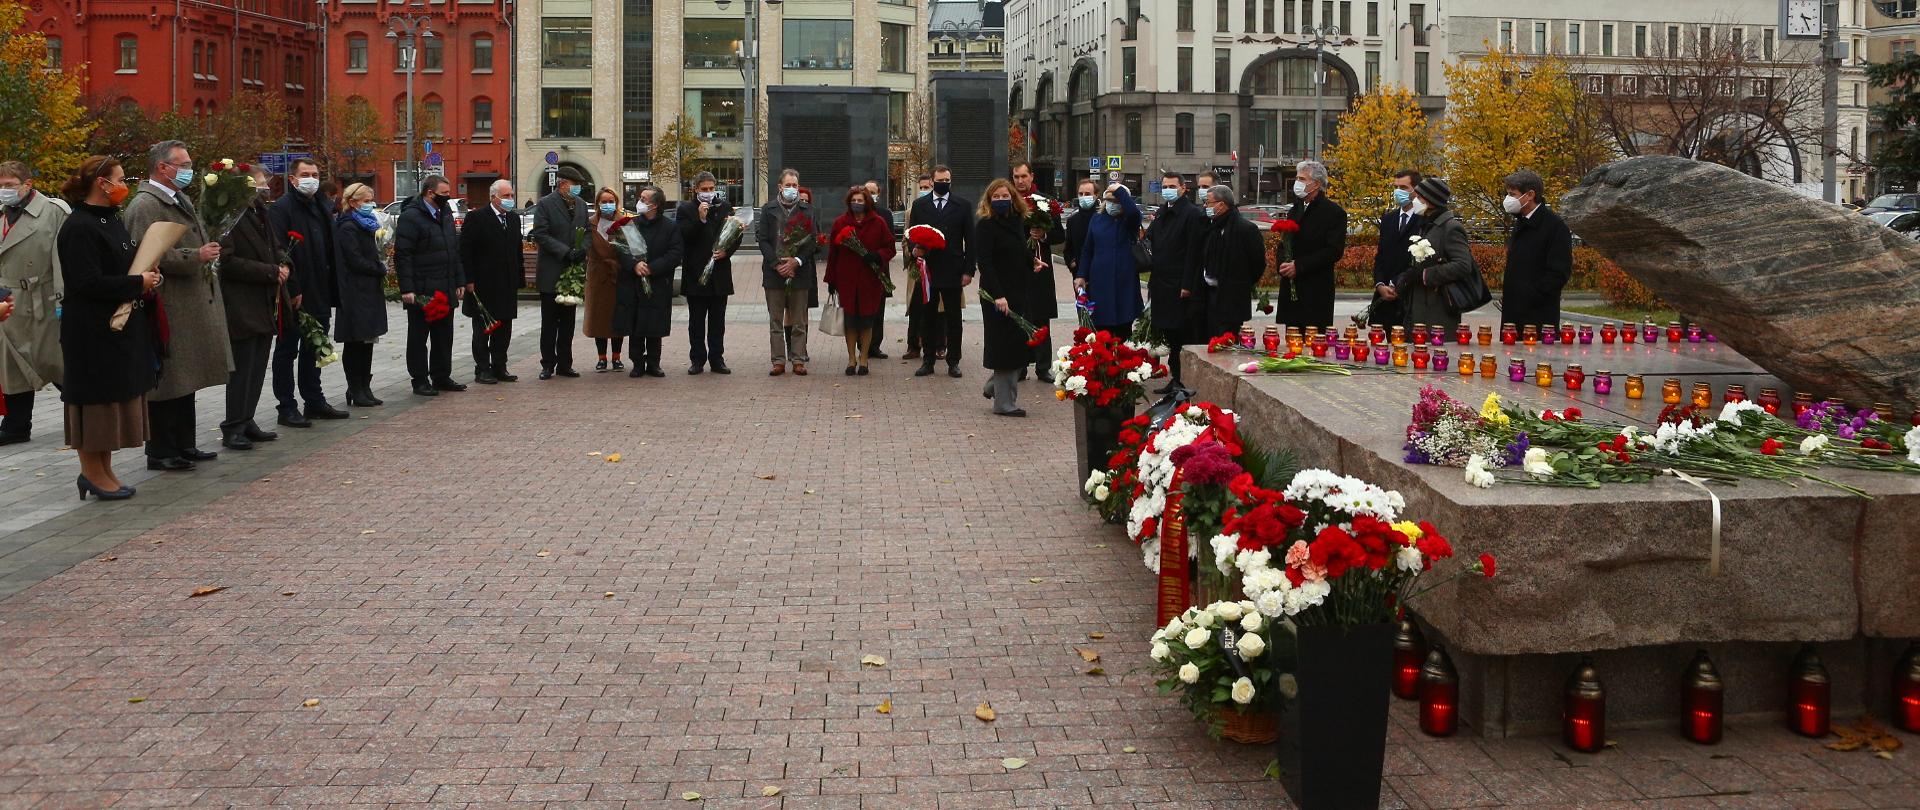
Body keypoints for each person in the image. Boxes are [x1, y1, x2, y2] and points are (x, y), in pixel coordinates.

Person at [57, 156, 157, 500]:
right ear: (102, 183)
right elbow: (87, 282)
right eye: (119, 178)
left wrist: (146, 276)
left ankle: (105, 469)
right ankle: (91, 472)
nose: (123, 184)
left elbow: (121, 265)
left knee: (113, 396)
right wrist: (135, 283)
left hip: (118, 326)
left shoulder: (110, 219)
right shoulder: (79, 226)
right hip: (90, 331)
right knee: (94, 401)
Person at [124, 140, 227, 472]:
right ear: (162, 168)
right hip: (167, 303)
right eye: (182, 164)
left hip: (187, 301)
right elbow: (147, 255)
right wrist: (194, 256)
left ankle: (184, 443)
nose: (188, 170)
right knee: (168, 380)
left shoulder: (177, 197)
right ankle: (160, 449)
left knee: (186, 378)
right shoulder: (145, 205)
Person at [214, 166, 290, 450]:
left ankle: (247, 418)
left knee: (258, 364)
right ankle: (233, 425)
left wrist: (283, 262)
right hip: (241, 302)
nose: (264, 188)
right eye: (258, 184)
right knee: (243, 367)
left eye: (264, 183)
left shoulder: (260, 211)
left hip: (264, 299)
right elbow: (228, 261)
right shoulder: (228, 216)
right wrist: (270, 271)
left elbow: (274, 245)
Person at [269, 157, 347, 426]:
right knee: (287, 350)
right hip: (296, 291)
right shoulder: (281, 209)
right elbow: (279, 251)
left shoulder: (322, 205)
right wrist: (292, 288)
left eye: (314, 173)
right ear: (292, 179)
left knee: (315, 348)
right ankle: (286, 407)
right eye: (305, 174)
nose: (311, 178)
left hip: (321, 289)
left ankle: (314, 400)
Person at [0, 161, 68, 445]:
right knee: (12, 365)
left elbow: (63, 258)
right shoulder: (2, 215)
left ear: (28, 184)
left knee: (56, 361)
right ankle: (16, 424)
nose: (4, 191)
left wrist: (64, 299)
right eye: (1, 185)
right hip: (9, 300)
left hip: (44, 298)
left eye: (10, 185)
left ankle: (84, 414)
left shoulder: (53, 211)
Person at [973, 180, 1044, 417]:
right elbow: (985, 262)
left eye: (1006, 196)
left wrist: (1032, 260)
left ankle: (994, 386)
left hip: (1019, 292)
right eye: (996, 196)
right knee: (1005, 348)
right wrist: (998, 296)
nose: (1001, 200)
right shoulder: (985, 226)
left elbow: (1018, 250)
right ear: (989, 200)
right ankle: (1004, 403)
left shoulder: (1016, 222)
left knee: (1020, 345)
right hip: (997, 296)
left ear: (1013, 198)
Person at [394, 174, 466, 396]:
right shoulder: (411, 217)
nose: (448, 197)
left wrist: (459, 279)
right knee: (418, 337)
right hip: (422, 288)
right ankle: (420, 379)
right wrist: (407, 288)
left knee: (444, 335)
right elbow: (403, 255)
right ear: (429, 193)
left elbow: (452, 249)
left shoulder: (444, 213)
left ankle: (441, 376)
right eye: (444, 193)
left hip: (444, 285)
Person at [906, 165, 974, 378]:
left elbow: (971, 241)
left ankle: (954, 361)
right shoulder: (920, 205)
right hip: (928, 270)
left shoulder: (962, 205)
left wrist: (968, 270)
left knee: (954, 318)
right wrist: (913, 250)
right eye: (940, 180)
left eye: (947, 180)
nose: (944, 183)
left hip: (953, 270)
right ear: (932, 181)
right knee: (928, 317)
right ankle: (928, 360)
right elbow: (911, 235)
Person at [1384, 177, 1477, 332]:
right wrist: (1407, 276)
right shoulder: (1427, 224)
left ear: (1431, 200)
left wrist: (1424, 275)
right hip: (1417, 305)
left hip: (1438, 308)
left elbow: (1463, 265)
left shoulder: (1450, 227)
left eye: (1419, 198)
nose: (1415, 201)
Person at [823, 184, 896, 376]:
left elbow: (890, 247)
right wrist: (831, 280)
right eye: (853, 201)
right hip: (846, 279)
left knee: (866, 320)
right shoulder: (840, 222)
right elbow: (833, 254)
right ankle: (851, 359)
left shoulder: (878, 222)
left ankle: (864, 358)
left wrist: (877, 256)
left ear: (867, 202)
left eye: (860, 201)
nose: (856, 204)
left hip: (869, 280)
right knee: (850, 320)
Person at [611, 186, 682, 378]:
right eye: (640, 198)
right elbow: (621, 249)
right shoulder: (630, 224)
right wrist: (634, 264)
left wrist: (652, 268)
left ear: (655, 205)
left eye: (644, 199)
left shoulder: (670, 227)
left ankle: (654, 363)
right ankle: (637, 363)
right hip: (634, 283)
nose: (639, 201)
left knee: (654, 325)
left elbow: (675, 254)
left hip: (658, 283)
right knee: (635, 326)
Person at [1146, 170, 1207, 390]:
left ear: (1183, 189)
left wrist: (1187, 284)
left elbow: (1193, 252)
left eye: (1172, 187)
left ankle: (1182, 379)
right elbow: (1150, 239)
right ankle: (1175, 377)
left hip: (1179, 284)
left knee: (1181, 333)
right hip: (1161, 283)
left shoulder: (1192, 214)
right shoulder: (1162, 212)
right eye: (1165, 186)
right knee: (1169, 334)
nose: (1168, 191)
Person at [757, 169, 820, 376]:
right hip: (774, 272)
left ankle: (798, 359)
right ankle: (778, 361)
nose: (792, 189)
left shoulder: (807, 210)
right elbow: (763, 239)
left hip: (799, 272)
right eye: (788, 185)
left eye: (795, 185)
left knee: (799, 321)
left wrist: (796, 261)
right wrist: (777, 263)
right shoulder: (768, 209)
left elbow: (812, 239)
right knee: (775, 320)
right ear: (780, 187)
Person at [458, 179, 521, 384]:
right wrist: (468, 280)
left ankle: (499, 366)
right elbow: (466, 251)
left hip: (506, 283)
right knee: (484, 328)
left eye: (511, 195)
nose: (510, 199)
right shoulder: (476, 217)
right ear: (493, 197)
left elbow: (517, 250)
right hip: (483, 284)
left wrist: (518, 278)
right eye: (506, 196)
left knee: (504, 328)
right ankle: (482, 368)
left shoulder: (513, 219)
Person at [332, 182, 389, 406]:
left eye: (371, 200)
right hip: (355, 290)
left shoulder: (369, 224)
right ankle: (355, 387)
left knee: (367, 340)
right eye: (366, 201)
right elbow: (353, 259)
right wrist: (379, 267)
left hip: (370, 289)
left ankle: (365, 385)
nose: (370, 204)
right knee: (355, 341)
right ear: (353, 202)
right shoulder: (348, 226)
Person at [1275, 159, 1347, 332]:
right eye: (1297, 178)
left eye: (1302, 179)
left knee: (1314, 345)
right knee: (1293, 342)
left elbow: (1333, 251)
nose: (1297, 183)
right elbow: (1285, 242)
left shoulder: (1334, 213)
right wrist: (1282, 265)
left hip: (1315, 290)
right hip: (1292, 290)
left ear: (1316, 184)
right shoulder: (1295, 209)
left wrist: (1299, 266)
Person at [531, 167, 589, 379]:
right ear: (563, 184)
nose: (578, 188)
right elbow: (540, 234)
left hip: (572, 274)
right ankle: (548, 364)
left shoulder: (582, 205)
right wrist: (565, 252)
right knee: (549, 323)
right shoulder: (546, 204)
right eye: (575, 184)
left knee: (568, 323)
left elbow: (588, 232)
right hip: (552, 272)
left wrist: (583, 249)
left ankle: (565, 363)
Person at [1187, 185, 1266, 339]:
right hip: (1207, 297)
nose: (1204, 206)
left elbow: (1257, 264)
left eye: (1208, 203)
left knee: (1226, 345)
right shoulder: (1211, 227)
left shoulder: (1245, 229)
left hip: (1231, 299)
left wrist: (1240, 283)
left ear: (1221, 204)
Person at [1499, 169, 1573, 331]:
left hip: (1537, 317)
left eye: (1513, 194)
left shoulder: (1554, 227)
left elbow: (1559, 273)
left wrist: (1529, 295)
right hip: (1514, 314)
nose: (1508, 199)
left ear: (1530, 195)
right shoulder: (1521, 222)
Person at [678, 172, 737, 375]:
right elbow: (685, 237)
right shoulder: (686, 210)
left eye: (712, 189)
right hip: (696, 274)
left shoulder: (724, 207)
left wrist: (726, 251)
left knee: (717, 321)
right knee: (696, 321)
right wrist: (700, 220)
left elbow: (734, 235)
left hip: (719, 274)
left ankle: (717, 358)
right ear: (696, 190)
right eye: (704, 189)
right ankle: (697, 359)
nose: (708, 193)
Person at [1011, 163, 1063, 382]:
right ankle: (1020, 365)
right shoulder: (1008, 201)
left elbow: (1060, 235)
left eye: (1024, 176)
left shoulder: (1046, 202)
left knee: (1041, 317)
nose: (1020, 181)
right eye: (1016, 177)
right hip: (1016, 270)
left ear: (1031, 176)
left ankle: (1043, 367)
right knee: (1018, 317)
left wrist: (1042, 234)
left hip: (1041, 270)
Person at [1074, 182, 1143, 334]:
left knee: (1123, 330)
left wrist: (1119, 190)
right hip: (1100, 281)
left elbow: (1133, 213)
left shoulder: (1129, 221)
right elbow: (1088, 249)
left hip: (1124, 281)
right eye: (1109, 200)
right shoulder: (1097, 219)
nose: (1113, 204)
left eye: (1117, 201)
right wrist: (1081, 275)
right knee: (1101, 330)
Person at [1370, 170, 1423, 329]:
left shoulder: (1424, 219)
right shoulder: (1388, 219)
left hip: (1409, 298)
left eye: (1404, 187)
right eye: (1396, 187)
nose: (1398, 192)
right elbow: (1381, 256)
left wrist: (1397, 283)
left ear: (1416, 190)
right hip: (1384, 300)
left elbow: (1421, 260)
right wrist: (1380, 284)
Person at [583, 187, 626, 372]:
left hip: (618, 275)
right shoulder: (590, 224)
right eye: (604, 201)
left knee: (617, 317)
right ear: (598, 204)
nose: (608, 204)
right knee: (598, 317)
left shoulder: (624, 222)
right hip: (597, 275)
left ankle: (616, 357)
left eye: (611, 201)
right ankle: (602, 358)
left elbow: (632, 248)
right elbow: (583, 246)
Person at [901, 173, 934, 362]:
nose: (923, 191)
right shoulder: (910, 211)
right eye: (921, 187)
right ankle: (913, 345)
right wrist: (912, 252)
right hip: (916, 265)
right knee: (915, 307)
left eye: (927, 187)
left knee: (937, 307)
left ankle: (938, 344)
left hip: (936, 265)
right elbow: (907, 236)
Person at [861, 179, 892, 361]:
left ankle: (875, 345)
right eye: (867, 191)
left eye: (874, 192)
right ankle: (861, 344)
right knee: (861, 309)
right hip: (860, 269)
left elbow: (888, 242)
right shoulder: (856, 212)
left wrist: (878, 256)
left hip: (880, 268)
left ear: (878, 194)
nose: (870, 195)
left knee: (878, 310)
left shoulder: (885, 214)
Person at [1062, 177, 1098, 306]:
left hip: (1099, 277)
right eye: (1081, 194)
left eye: (1087, 194)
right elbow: (1067, 249)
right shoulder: (1073, 220)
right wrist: (1073, 264)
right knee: (1083, 317)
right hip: (1079, 278)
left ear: (1096, 195)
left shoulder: (1101, 218)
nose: (1083, 197)